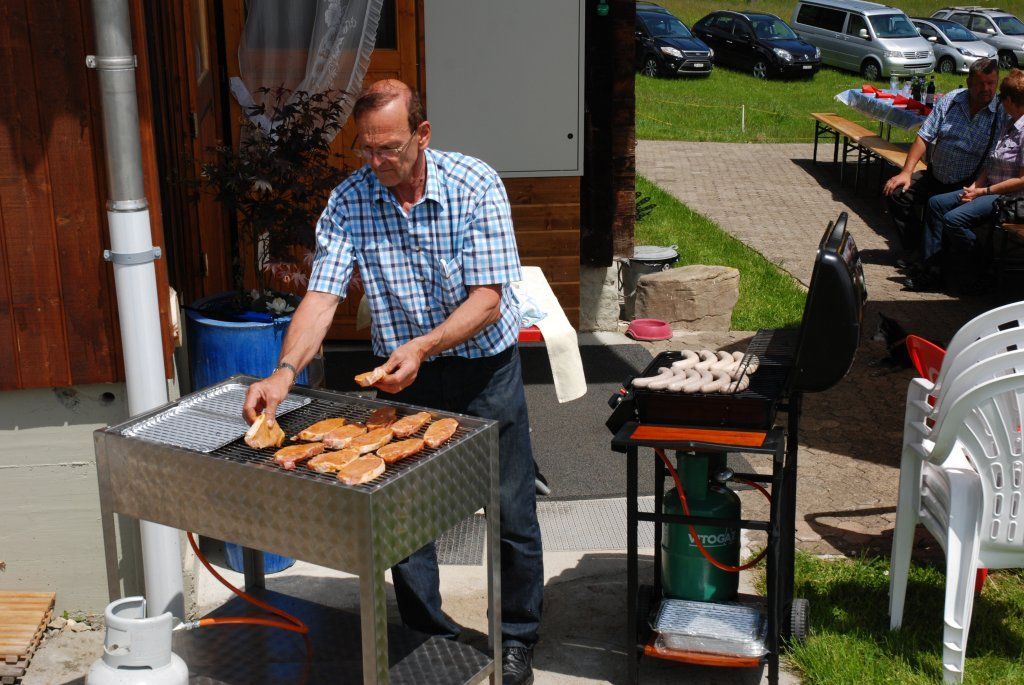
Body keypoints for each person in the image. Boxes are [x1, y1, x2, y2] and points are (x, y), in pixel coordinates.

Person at [242, 80, 542, 685]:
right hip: (402, 383)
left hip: (484, 370)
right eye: (366, 149)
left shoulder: (476, 185)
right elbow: (322, 297)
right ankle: (426, 633)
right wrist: (284, 371)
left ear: (422, 135)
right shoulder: (351, 199)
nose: (376, 161)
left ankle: (516, 641)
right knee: (404, 520)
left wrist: (425, 345)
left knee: (509, 510)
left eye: (389, 148)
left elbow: (487, 300)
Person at [883, 58, 1002, 272]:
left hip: (968, 184)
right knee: (897, 192)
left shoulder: (1001, 113)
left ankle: (933, 263)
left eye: (991, 83)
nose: (987, 89)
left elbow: (994, 158)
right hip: (935, 175)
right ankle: (915, 248)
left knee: (938, 206)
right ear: (969, 82)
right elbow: (924, 136)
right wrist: (907, 172)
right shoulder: (951, 100)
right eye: (981, 83)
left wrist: (976, 187)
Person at [913, 69, 1024, 292]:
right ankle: (931, 269)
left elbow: (1022, 180)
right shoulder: (1009, 123)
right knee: (936, 203)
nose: (998, 100)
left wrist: (983, 192)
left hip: (1007, 198)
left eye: (1001, 96)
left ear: (1011, 100)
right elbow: (991, 161)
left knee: (954, 219)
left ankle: (982, 266)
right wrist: (976, 186)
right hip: (987, 188)